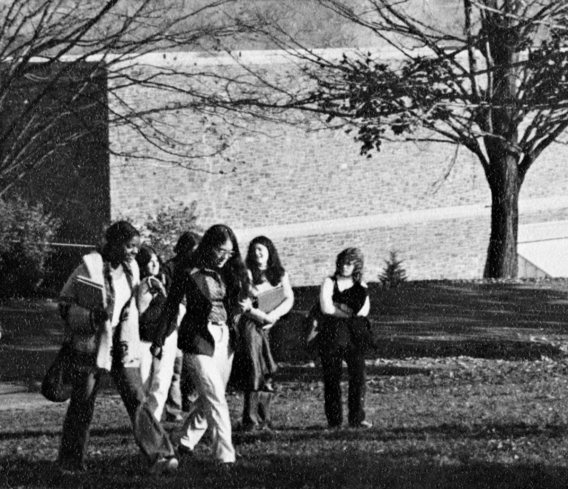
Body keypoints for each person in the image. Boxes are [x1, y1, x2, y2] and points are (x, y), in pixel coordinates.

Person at [57, 221, 178, 475]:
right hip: (92, 346)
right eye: (129, 246)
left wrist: (145, 293)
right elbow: (65, 305)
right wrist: (91, 316)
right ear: (113, 244)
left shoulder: (132, 269)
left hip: (122, 346)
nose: (135, 252)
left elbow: (131, 306)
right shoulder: (86, 268)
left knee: (137, 398)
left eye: (137, 246)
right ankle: (70, 463)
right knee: (83, 402)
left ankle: (161, 455)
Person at [152, 224, 248, 465]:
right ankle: (226, 457)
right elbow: (171, 306)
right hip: (197, 338)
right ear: (208, 247)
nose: (225, 257)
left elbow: (234, 303)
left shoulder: (230, 272)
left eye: (230, 252)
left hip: (224, 338)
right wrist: (159, 339)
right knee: (215, 396)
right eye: (220, 251)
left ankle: (185, 441)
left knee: (210, 398)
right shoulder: (188, 271)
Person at [233, 236, 294, 431]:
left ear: (269, 251)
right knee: (254, 369)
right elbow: (244, 305)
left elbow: (288, 298)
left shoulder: (280, 273)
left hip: (274, 326)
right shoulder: (246, 274)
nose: (258, 254)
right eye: (254, 250)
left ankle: (265, 418)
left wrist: (273, 317)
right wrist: (262, 317)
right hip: (253, 325)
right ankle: (250, 420)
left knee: (268, 371)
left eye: (261, 249)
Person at [317, 247, 373, 429]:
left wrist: (338, 305)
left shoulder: (362, 286)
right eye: (341, 262)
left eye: (349, 263)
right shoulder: (329, 282)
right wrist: (345, 310)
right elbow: (326, 307)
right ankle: (334, 421)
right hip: (332, 335)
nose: (344, 266)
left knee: (358, 376)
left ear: (356, 266)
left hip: (355, 336)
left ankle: (357, 418)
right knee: (332, 377)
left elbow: (362, 311)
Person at [161, 232, 200, 421]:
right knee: (175, 367)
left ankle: (190, 401)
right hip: (175, 319)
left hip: (193, 321)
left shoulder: (199, 269)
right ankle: (174, 409)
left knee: (193, 365)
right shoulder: (170, 267)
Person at [136, 245, 175, 422]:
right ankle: (143, 420)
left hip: (165, 337)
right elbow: (139, 313)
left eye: (155, 261)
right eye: (148, 262)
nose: (153, 265)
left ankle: (154, 420)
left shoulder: (164, 282)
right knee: (144, 382)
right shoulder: (141, 284)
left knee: (161, 382)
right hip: (144, 339)